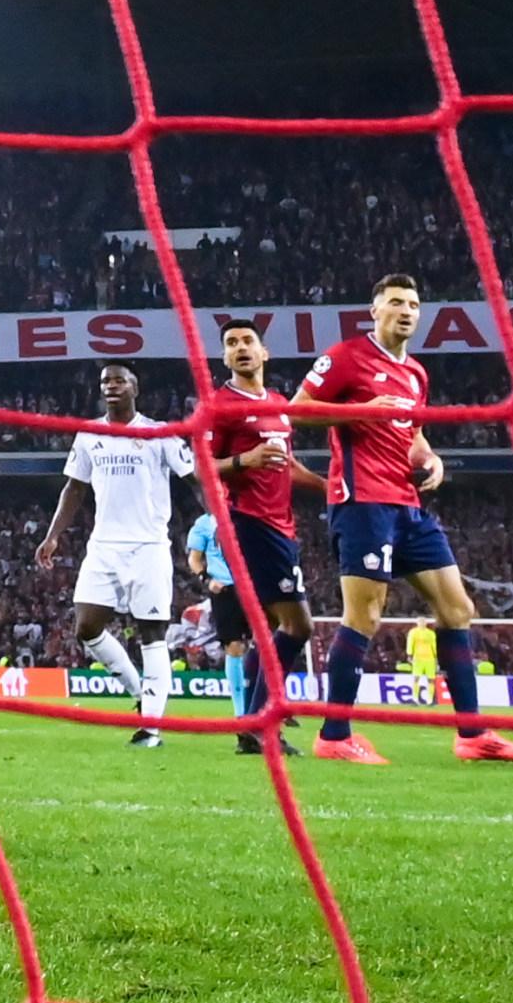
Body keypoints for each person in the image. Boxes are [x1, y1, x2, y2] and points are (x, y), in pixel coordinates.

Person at [291, 273, 513, 763]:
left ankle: (473, 735)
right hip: (362, 501)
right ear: (374, 310)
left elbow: (412, 432)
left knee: (457, 609)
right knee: (364, 614)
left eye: (414, 305)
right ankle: (334, 736)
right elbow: (295, 410)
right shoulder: (345, 358)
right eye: (397, 303)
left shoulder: (416, 374)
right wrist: (361, 410)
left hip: (408, 505)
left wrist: (433, 458)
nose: (407, 311)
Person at [34, 364, 190, 749]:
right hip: (104, 547)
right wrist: (53, 536)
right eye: (105, 382)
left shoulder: (159, 433)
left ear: (135, 386)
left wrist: (216, 520)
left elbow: (196, 479)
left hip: (149, 547)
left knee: (152, 635)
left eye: (119, 380)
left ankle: (151, 729)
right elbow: (73, 488)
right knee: (85, 626)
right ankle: (140, 694)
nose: (111, 386)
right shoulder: (90, 433)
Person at [198, 317, 321, 755]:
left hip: (281, 524)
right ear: (224, 357)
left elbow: (287, 464)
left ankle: (254, 723)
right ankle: (256, 724)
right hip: (249, 521)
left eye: (248, 341)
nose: (240, 348)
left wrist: (333, 489)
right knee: (298, 625)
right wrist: (243, 459)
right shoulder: (220, 405)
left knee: (273, 629)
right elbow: (201, 467)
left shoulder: (277, 402)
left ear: (264, 352)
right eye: (231, 343)